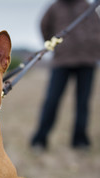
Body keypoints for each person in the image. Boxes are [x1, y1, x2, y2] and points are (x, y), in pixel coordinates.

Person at [31, 0, 100, 150]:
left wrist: (94, 47)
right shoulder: (54, 7)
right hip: (62, 60)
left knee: (83, 103)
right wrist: (55, 46)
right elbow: (44, 26)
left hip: (87, 61)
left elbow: (97, 28)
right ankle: (40, 139)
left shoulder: (87, 7)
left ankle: (80, 141)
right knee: (52, 100)